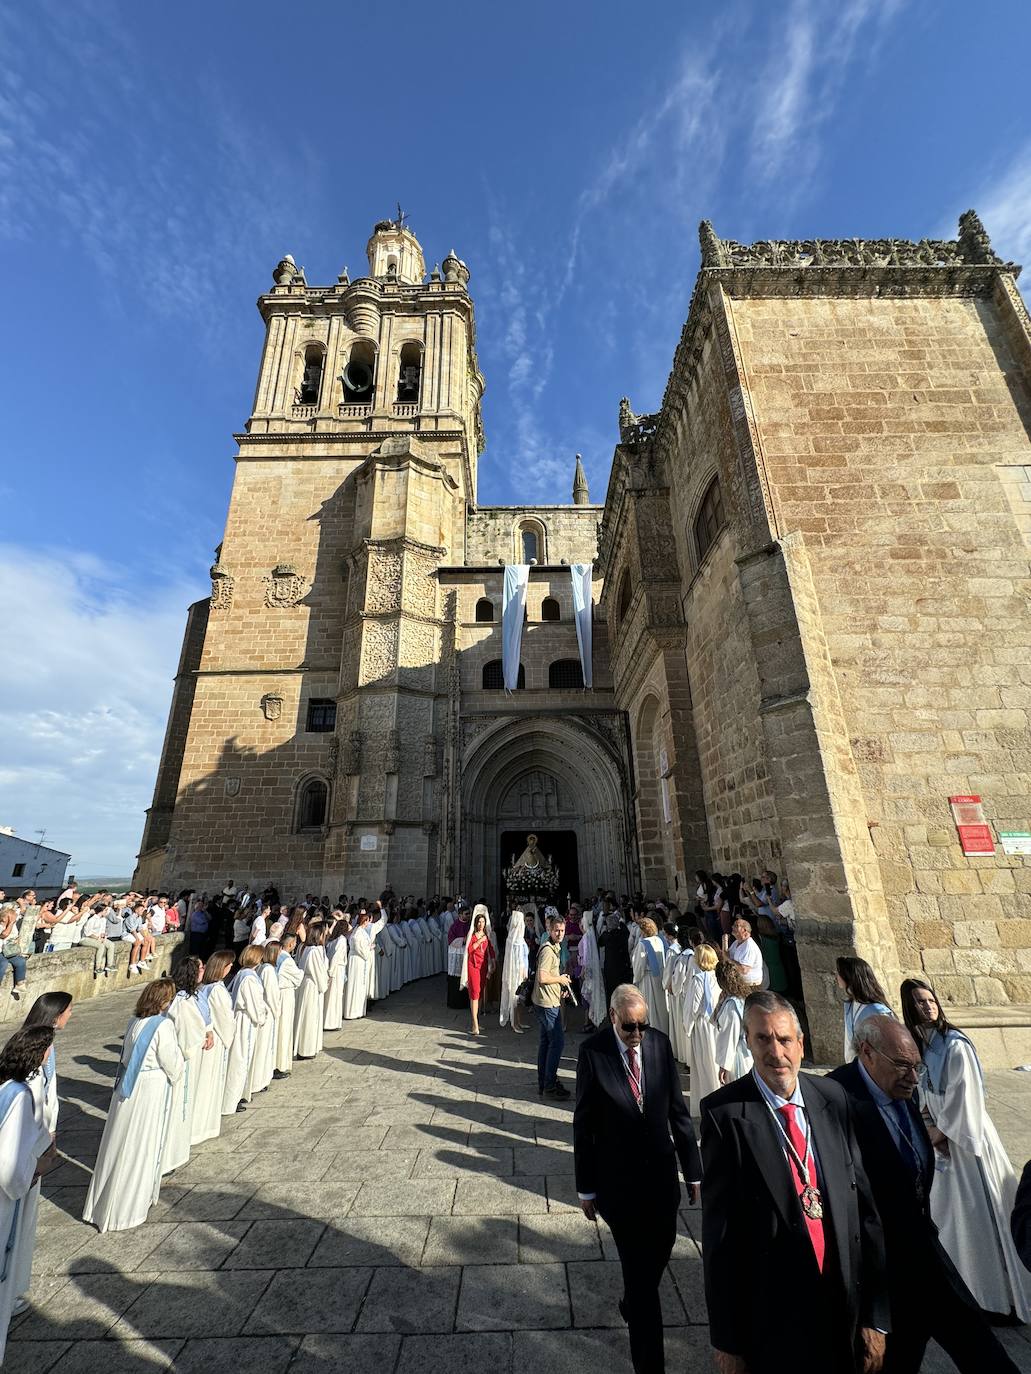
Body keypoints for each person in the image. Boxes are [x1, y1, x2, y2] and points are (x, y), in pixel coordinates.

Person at [700, 991, 888, 1374]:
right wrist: (727, 1341)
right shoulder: (724, 1115)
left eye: (784, 1039)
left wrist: (876, 1315)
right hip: (775, 1317)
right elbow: (720, 1238)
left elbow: (865, 1210)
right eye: (763, 1039)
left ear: (801, 1043)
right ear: (748, 1042)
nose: (776, 1052)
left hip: (842, 1304)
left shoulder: (833, 1098)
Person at [831, 1015, 1020, 1374]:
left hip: (924, 1250)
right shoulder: (835, 1097)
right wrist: (869, 1311)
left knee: (981, 1348)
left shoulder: (904, 1089)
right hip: (880, 1267)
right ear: (867, 1053)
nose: (914, 1077)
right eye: (902, 1065)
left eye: (916, 1066)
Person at [574, 983, 701, 1374]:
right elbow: (584, 1124)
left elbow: (678, 1111)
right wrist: (586, 1187)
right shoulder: (593, 1052)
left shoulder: (659, 1044)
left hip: (661, 1177)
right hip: (618, 1183)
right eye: (629, 1026)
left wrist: (692, 1170)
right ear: (613, 1017)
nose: (637, 1034)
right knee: (643, 1281)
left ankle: (632, 1300)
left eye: (642, 1025)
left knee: (661, 1249)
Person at [901, 976, 1031, 1321]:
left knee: (982, 1214)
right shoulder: (922, 1045)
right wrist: (926, 1122)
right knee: (955, 1221)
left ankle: (1002, 1299)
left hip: (966, 1142)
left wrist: (939, 1133)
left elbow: (967, 1098)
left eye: (930, 1000)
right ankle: (969, 1293)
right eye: (919, 1002)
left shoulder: (955, 1045)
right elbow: (923, 1092)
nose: (927, 1006)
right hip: (941, 1137)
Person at [83, 979, 185, 1232]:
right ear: (164, 1001)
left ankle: (107, 1205)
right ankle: (129, 1208)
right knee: (141, 1143)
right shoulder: (163, 1025)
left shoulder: (133, 1022)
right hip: (150, 1087)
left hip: (129, 1085)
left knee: (120, 1142)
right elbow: (171, 1062)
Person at [10, 995, 69, 1321]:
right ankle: (10, 1290)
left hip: (36, 1145)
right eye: (68, 1010)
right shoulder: (28, 1075)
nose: (71, 1015)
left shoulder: (37, 1049)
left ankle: (15, 1286)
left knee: (25, 1221)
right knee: (17, 1222)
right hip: (27, 1156)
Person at [0, 1025, 56, 1362]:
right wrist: (36, 1169)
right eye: (47, 1049)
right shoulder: (19, 1096)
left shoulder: (4, 1086)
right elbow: (8, 1166)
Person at [162, 956, 211, 1173]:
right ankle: (170, 1155)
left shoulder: (183, 997)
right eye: (200, 968)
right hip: (183, 1058)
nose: (204, 970)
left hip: (183, 1054)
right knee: (178, 1104)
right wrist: (203, 1037)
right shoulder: (183, 1001)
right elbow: (188, 1033)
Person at [193, 951, 235, 1143]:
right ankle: (202, 1126)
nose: (231, 968)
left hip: (210, 1037)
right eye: (228, 965)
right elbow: (224, 1018)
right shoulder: (216, 990)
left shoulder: (205, 987)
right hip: (215, 1039)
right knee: (208, 1081)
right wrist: (230, 1036)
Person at [222, 946, 267, 1114]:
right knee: (240, 1059)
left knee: (241, 1058)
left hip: (245, 1017)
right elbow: (253, 1003)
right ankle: (232, 1100)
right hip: (246, 1020)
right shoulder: (249, 978)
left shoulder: (243, 974)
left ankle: (238, 1094)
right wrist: (261, 1017)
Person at [532, 912, 572, 1099]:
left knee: (546, 1042)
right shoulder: (548, 950)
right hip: (547, 1003)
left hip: (548, 999)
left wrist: (560, 987)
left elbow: (549, 976)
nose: (560, 934)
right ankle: (549, 1084)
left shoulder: (554, 946)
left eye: (562, 930)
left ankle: (544, 1081)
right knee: (557, 1042)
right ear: (550, 930)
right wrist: (560, 980)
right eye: (557, 930)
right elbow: (542, 977)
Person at [682, 942, 719, 1115]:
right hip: (716, 1024)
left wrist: (687, 1027)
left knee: (704, 1064)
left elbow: (693, 1007)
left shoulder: (697, 980)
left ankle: (707, 1099)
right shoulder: (716, 977)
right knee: (714, 1061)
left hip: (702, 1026)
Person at [837, 956, 894, 1063]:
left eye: (839, 973)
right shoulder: (850, 1005)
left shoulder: (877, 1010)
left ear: (848, 976)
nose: (837, 977)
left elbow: (889, 1044)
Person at [712, 959, 753, 1085]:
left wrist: (724, 1066)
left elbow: (730, 1037)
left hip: (737, 1055)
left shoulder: (732, 1005)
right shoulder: (741, 996)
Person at [631, 917, 670, 1036]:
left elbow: (639, 965)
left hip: (648, 979)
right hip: (661, 977)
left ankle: (652, 1032)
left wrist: (636, 979)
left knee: (651, 1007)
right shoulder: (659, 940)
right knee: (661, 1007)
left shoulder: (643, 944)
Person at [294, 926, 330, 1057]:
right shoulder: (314, 951)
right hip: (312, 985)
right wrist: (325, 983)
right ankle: (306, 1049)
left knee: (307, 1016)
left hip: (308, 984)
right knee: (309, 1017)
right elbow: (318, 971)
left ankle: (307, 1047)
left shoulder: (307, 949)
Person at [460, 906, 496, 1036]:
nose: (481, 924)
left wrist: (493, 962)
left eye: (483, 922)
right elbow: (470, 949)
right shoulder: (473, 935)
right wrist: (481, 940)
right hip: (473, 966)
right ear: (476, 923)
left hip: (483, 967)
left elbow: (491, 950)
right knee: (474, 993)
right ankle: (474, 1024)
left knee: (480, 993)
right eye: (479, 922)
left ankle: (477, 1020)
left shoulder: (487, 936)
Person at [274, 935, 303, 1074]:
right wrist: (301, 971)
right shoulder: (287, 960)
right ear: (291, 944)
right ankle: (281, 1065)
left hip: (279, 993)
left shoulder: (276, 955)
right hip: (285, 995)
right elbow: (298, 977)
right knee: (284, 1029)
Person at [499, 908, 529, 1033]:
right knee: (515, 999)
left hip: (523, 973)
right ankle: (514, 1023)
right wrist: (522, 972)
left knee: (520, 999)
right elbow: (516, 960)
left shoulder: (519, 939)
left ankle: (519, 1021)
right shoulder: (513, 940)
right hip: (516, 974)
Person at [598, 905, 632, 1005]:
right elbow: (624, 929)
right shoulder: (624, 933)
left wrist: (606, 930)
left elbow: (599, 942)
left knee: (611, 990)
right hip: (623, 966)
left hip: (611, 968)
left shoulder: (607, 935)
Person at [343, 911, 373, 1020]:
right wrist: (369, 948)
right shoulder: (358, 933)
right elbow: (360, 949)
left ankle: (359, 1010)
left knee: (360, 985)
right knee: (355, 984)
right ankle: (353, 1011)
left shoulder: (360, 931)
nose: (368, 923)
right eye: (367, 921)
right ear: (364, 921)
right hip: (357, 960)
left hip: (359, 960)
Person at [725, 915, 763, 988]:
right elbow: (725, 955)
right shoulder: (736, 942)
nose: (732, 927)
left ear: (744, 930)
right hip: (741, 983)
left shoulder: (749, 946)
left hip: (750, 985)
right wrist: (724, 941)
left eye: (736, 926)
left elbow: (744, 970)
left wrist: (729, 959)